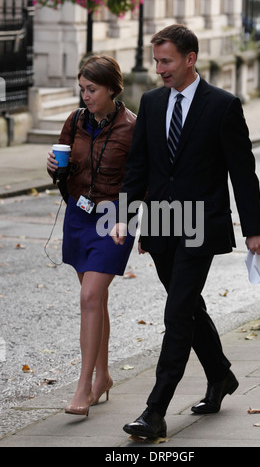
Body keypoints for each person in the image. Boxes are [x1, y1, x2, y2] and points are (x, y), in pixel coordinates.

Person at [111, 24, 260, 438]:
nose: (159, 68)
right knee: (189, 307)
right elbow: (138, 168)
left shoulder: (222, 105)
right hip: (162, 223)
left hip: (201, 223)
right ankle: (220, 376)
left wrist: (254, 228)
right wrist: (126, 215)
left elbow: (243, 172)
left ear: (189, 59)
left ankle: (155, 410)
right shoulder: (150, 102)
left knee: (178, 312)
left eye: (166, 61)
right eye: (157, 60)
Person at [47, 55, 136, 417]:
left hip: (113, 220)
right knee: (94, 301)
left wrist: (133, 220)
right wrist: (53, 166)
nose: (85, 95)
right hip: (78, 216)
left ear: (112, 88)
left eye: (92, 89)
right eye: (82, 88)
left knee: (89, 296)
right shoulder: (76, 121)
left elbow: (142, 178)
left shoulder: (132, 127)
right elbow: (64, 163)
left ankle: (83, 386)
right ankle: (103, 378)